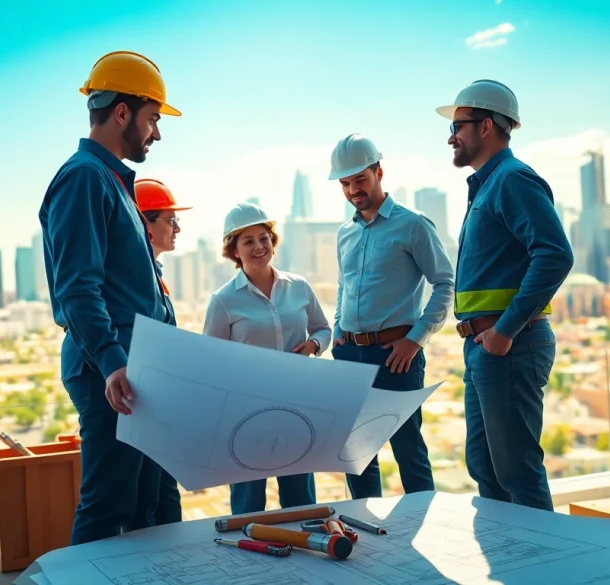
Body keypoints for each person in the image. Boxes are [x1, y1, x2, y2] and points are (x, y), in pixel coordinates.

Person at [38, 50, 182, 545]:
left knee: (150, 504)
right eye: (152, 119)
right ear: (122, 112)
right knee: (109, 507)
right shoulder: (84, 178)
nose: (156, 133)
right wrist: (112, 360)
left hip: (132, 367)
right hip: (113, 372)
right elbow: (77, 286)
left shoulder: (113, 182)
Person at [436, 79, 573, 511]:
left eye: (459, 125)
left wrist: (504, 329)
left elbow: (554, 255)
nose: (450, 136)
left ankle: (547, 570)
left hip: (509, 346)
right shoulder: (487, 186)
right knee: (486, 468)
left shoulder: (513, 180)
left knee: (516, 471)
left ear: (487, 126)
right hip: (485, 347)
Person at [328, 134, 455, 500]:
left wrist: (416, 339)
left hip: (396, 355)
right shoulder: (345, 233)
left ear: (379, 172)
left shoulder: (413, 225)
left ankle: (423, 533)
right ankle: (367, 532)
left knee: (408, 450)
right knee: (355, 452)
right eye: (346, 183)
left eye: (360, 180)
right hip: (349, 355)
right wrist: (338, 327)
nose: (353, 190)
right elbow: (344, 285)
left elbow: (445, 284)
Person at [202, 201, 331, 514]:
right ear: (233, 251)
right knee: (248, 503)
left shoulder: (299, 287)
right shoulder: (223, 300)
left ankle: (306, 555)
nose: (259, 246)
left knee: (300, 498)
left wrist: (313, 345)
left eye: (264, 238)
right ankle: (249, 560)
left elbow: (323, 329)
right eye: (248, 241)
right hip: (247, 411)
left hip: (296, 404)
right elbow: (209, 361)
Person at [135, 177, 192, 525]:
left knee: (164, 492)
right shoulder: (136, 278)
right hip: (146, 400)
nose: (178, 228)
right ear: (146, 224)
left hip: (158, 401)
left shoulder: (154, 273)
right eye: (170, 220)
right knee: (147, 495)